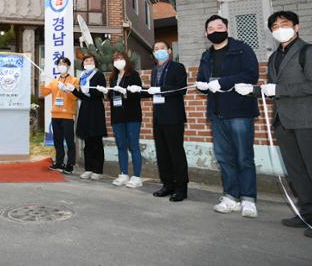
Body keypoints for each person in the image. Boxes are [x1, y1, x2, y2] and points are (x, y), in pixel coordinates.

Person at [235, 11, 312, 238]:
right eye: (275, 26)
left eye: (285, 24)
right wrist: (253, 90)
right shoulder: (274, 58)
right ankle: (307, 213)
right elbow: (273, 90)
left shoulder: (309, 52)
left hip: (307, 118)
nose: (280, 28)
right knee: (296, 171)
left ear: (296, 27)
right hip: (283, 121)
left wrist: (277, 90)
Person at [195, 15, 259, 218]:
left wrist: (223, 82)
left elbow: (251, 75)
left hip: (239, 111)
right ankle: (231, 196)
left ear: (227, 29)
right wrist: (202, 86)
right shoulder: (206, 56)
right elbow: (201, 80)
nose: (215, 30)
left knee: (244, 157)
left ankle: (248, 199)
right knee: (224, 158)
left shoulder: (242, 49)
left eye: (219, 26)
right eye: (211, 28)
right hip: (216, 112)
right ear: (206, 33)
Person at [144, 41, 189, 202]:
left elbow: (181, 88)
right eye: (156, 49)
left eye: (162, 48)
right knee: (162, 153)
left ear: (169, 51)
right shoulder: (154, 70)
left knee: (176, 153)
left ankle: (181, 188)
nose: (159, 51)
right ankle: (167, 184)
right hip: (158, 116)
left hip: (174, 116)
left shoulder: (177, 67)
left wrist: (160, 90)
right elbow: (153, 92)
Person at [96, 51, 144, 188]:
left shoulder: (133, 74)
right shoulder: (113, 77)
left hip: (132, 115)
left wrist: (126, 92)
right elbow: (112, 97)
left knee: (133, 145)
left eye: (121, 58)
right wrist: (106, 92)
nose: (118, 61)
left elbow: (138, 93)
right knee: (121, 145)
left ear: (126, 60)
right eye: (115, 59)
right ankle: (123, 174)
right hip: (117, 116)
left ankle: (136, 177)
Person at [40, 57, 79, 174]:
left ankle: (70, 164)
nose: (62, 66)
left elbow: (75, 96)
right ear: (57, 67)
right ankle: (59, 162)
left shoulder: (74, 80)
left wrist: (67, 89)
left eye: (64, 64)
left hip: (67, 115)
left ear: (68, 66)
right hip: (55, 115)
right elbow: (44, 92)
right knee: (58, 141)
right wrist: (42, 81)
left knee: (70, 141)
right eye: (60, 64)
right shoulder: (54, 81)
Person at [72, 55, 107, 180]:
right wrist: (73, 91)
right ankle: (88, 168)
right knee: (87, 140)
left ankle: (98, 170)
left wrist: (91, 90)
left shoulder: (99, 75)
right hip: (85, 109)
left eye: (91, 60)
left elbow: (100, 94)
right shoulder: (82, 76)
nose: (88, 62)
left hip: (96, 110)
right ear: (83, 63)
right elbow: (83, 96)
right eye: (86, 61)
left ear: (95, 63)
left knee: (96, 140)